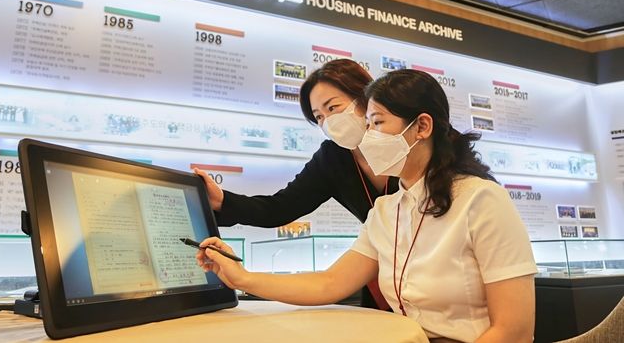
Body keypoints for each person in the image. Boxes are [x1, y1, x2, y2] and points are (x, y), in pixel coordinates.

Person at [195, 69, 537, 342]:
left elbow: (515, 331)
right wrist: (242, 277)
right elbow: (329, 283)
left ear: (422, 126)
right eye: (368, 125)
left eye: (378, 123)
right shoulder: (386, 210)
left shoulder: (480, 200)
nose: (368, 136)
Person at [194, 59, 399, 308]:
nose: (328, 121)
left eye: (333, 108)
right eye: (319, 117)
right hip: (381, 272)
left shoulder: (408, 146)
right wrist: (222, 201)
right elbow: (279, 208)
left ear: (365, 98)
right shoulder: (333, 158)